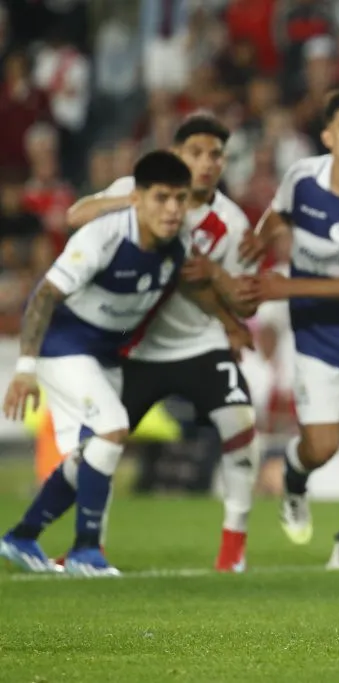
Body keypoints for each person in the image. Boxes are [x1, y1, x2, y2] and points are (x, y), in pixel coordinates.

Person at [63, 114, 260, 572]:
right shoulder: (139, 190)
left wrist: (218, 283)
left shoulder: (231, 222)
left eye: (215, 155)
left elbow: (246, 303)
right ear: (176, 155)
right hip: (138, 347)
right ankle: (88, 545)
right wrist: (133, 206)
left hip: (200, 344)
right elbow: (75, 216)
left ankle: (233, 548)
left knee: (241, 427)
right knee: (98, 445)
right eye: (195, 153)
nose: (207, 163)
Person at [0, 151, 194, 577]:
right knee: (113, 428)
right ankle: (86, 550)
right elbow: (45, 294)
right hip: (64, 345)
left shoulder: (181, 242)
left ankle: (22, 536)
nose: (173, 209)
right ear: (137, 197)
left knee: (91, 454)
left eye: (181, 199)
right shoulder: (103, 236)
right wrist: (26, 368)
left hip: (105, 354)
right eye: (161, 198)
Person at [244, 90, 339, 571]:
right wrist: (249, 255)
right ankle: (294, 485)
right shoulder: (302, 181)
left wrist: (284, 287)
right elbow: (275, 220)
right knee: (318, 448)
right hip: (313, 337)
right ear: (328, 136)